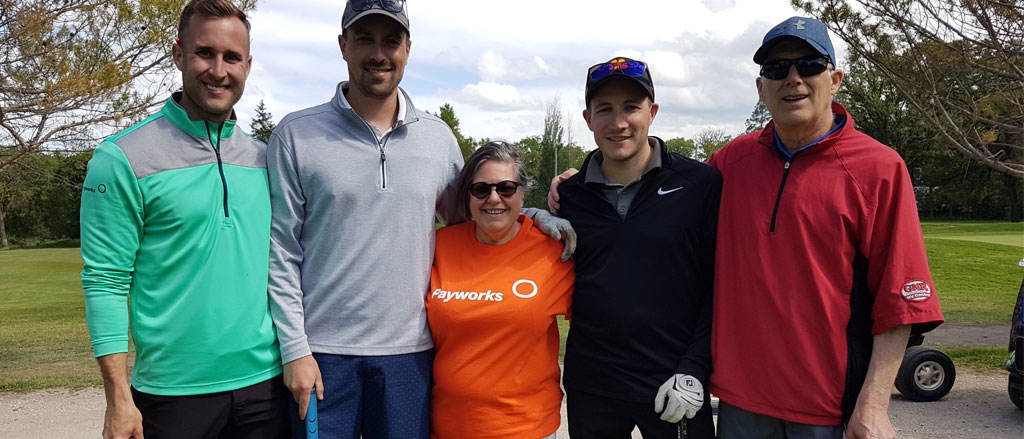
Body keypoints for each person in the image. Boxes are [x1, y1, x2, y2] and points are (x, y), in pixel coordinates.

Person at [265, 1, 574, 438]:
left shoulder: (438, 138)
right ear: (342, 45)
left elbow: (478, 212)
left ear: (408, 49)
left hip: (410, 356)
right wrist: (295, 351)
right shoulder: (296, 135)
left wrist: (533, 214)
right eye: (364, 39)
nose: (378, 53)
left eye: (391, 41)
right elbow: (281, 252)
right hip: (322, 356)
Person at [706, 17, 945, 439]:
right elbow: (659, 197)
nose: (793, 78)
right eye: (778, 69)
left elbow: (900, 301)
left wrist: (873, 406)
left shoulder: (880, 168)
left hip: (827, 409)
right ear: (762, 89)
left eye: (809, 65)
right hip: (740, 401)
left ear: (834, 80)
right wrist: (584, 181)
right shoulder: (729, 163)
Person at [79, 0, 288, 438]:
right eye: (204, 53)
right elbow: (105, 280)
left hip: (266, 388)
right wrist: (118, 399)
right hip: (171, 395)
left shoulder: (266, 159)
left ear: (248, 65)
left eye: (232, 57)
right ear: (178, 54)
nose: (218, 70)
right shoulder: (121, 158)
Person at [553, 57, 720, 438]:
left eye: (631, 107)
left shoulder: (700, 184)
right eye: (605, 110)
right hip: (593, 385)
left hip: (675, 382)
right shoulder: (569, 196)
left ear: (653, 111)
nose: (618, 123)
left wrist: (695, 367)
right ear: (588, 117)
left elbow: (718, 288)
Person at [427, 141, 575, 439]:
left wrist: (583, 186)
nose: (494, 198)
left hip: (527, 428)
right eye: (481, 189)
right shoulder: (439, 246)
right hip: (447, 427)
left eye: (506, 188)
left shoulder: (554, 250)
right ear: (467, 195)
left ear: (522, 192)